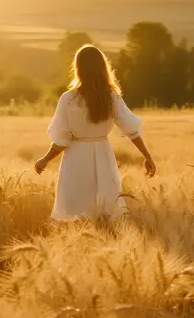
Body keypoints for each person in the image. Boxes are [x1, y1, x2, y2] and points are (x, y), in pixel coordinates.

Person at [35, 44, 156, 221]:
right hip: (103, 156)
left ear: (78, 69)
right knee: (106, 209)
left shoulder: (68, 99)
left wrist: (45, 159)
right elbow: (132, 130)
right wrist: (147, 156)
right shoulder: (111, 96)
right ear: (102, 67)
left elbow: (62, 140)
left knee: (75, 212)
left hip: (75, 159)